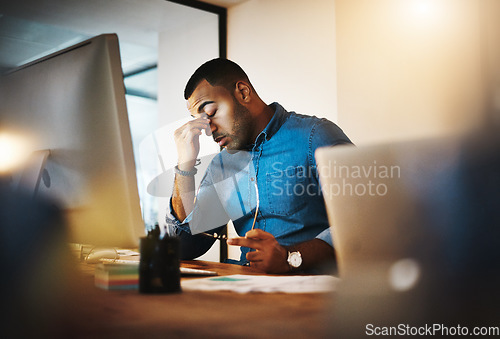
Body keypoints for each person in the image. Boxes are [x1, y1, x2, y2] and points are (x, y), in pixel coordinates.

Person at [166, 58, 352, 274]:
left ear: (243, 92)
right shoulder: (222, 166)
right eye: (201, 122)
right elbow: (184, 247)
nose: (208, 129)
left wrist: (289, 257)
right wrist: (185, 167)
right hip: (247, 289)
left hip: (310, 291)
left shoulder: (316, 136)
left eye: (210, 113)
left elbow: (362, 223)